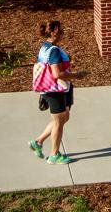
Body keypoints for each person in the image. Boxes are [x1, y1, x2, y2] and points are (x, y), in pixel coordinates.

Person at [28, 20, 85, 165]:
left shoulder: (45, 47)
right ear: (54, 32)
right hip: (55, 91)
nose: (63, 33)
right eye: (61, 30)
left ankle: (38, 142)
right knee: (59, 122)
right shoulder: (53, 51)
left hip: (52, 89)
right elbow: (57, 74)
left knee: (64, 117)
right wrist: (77, 75)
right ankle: (54, 155)